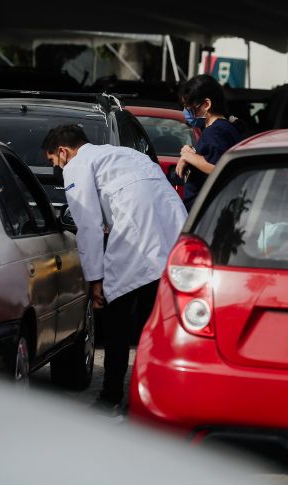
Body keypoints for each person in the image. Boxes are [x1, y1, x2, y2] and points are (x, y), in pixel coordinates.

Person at [42, 124, 187, 411]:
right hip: (175, 243)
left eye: (53, 162)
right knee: (162, 329)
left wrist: (95, 279)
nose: (57, 168)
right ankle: (162, 397)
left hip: (136, 246)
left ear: (62, 151)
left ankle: (111, 396)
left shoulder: (77, 165)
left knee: (117, 326)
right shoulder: (128, 155)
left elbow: (88, 226)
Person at [175, 75, 243, 210]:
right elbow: (212, 155)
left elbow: (218, 168)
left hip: (204, 211)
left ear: (206, 104)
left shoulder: (215, 131)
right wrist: (192, 153)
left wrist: (188, 156)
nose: (186, 112)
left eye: (189, 107)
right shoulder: (224, 128)